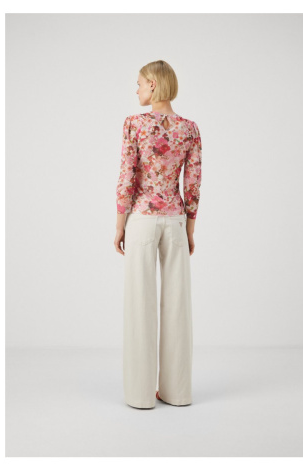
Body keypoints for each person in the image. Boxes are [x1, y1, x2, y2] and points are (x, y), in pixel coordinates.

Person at [114, 60, 202, 410]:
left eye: (139, 83)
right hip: (176, 220)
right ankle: (176, 393)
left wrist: (119, 224)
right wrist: (190, 228)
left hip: (141, 219)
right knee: (178, 305)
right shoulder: (189, 129)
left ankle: (139, 396)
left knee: (140, 303)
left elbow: (127, 177)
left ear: (152, 84)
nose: (136, 89)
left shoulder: (134, 124)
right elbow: (192, 184)